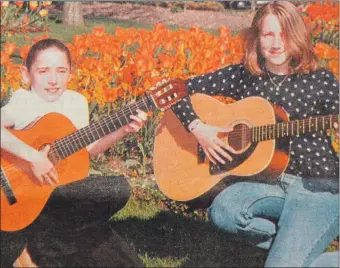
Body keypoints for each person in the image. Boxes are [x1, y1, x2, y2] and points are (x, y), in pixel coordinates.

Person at [171, 1, 339, 267]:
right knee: (224, 211)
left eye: (284, 34)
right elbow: (174, 90)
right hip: (267, 184)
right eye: (268, 34)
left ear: (298, 35)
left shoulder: (320, 80)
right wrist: (198, 128)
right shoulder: (244, 76)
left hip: (316, 187)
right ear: (256, 37)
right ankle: (294, 242)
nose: (276, 43)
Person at [1, 38, 146, 267]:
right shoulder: (23, 101)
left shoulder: (76, 102)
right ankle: (40, 247)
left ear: (70, 74)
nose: (53, 80)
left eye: (61, 71)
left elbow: (88, 151)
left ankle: (35, 250)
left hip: (60, 200)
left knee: (128, 263)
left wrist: (122, 131)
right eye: (43, 71)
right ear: (25, 74)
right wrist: (34, 157)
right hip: (25, 198)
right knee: (115, 189)